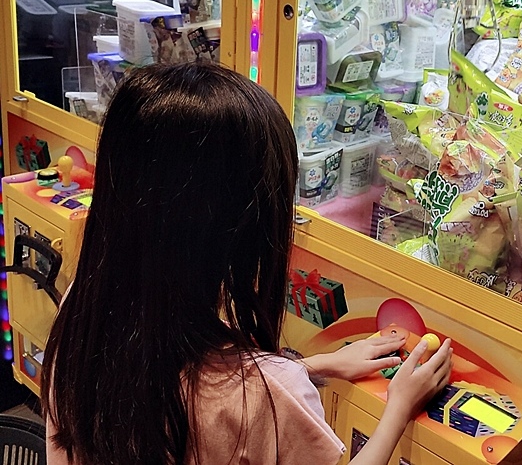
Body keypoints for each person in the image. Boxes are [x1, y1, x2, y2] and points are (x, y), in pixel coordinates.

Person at [42, 62, 453, 465]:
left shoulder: (83, 314)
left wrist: (310, 367)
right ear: (242, 230)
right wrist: (399, 406)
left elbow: (173, 380)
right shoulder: (267, 395)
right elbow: (234, 399)